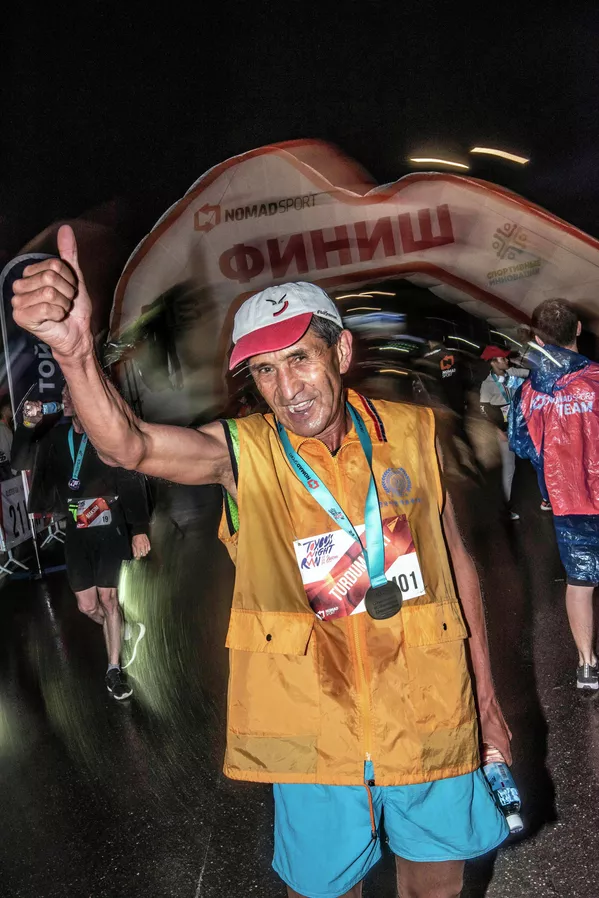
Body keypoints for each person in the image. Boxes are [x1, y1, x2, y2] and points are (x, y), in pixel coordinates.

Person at [11, 226, 512, 898]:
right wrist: (75, 358)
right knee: (326, 888)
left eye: (299, 358)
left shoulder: (414, 434)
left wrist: (486, 702)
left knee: (436, 884)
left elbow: (456, 568)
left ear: (340, 351)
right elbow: (130, 446)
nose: (287, 387)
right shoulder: (243, 452)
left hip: (427, 706)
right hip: (311, 725)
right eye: (265, 370)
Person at [18, 382, 150, 700]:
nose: (65, 398)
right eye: (63, 394)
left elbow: (130, 477)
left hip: (110, 526)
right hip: (77, 532)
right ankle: (120, 628)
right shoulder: (56, 439)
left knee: (108, 599)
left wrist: (139, 528)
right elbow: (20, 460)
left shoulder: (107, 436)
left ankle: (114, 670)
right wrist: (27, 425)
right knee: (87, 606)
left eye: (71, 393)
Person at [510, 298, 599, 691]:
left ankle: (587, 666)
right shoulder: (596, 378)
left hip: (568, 500)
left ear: (539, 338)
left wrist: (551, 469)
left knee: (580, 582)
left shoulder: (528, 392)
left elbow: (522, 444)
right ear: (578, 329)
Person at [479, 346, 531, 519]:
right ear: (493, 362)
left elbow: (530, 373)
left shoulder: (512, 373)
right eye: (503, 359)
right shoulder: (487, 385)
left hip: (521, 425)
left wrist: (519, 363)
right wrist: (497, 429)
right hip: (504, 429)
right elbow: (484, 409)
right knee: (509, 467)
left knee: (536, 458)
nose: (506, 361)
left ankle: (547, 497)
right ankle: (505, 508)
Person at [0, 397, 15, 479]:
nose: (12, 409)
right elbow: (5, 450)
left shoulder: (8, 426)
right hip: (8, 472)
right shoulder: (2, 428)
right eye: (10, 407)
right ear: (4, 409)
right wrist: (14, 471)